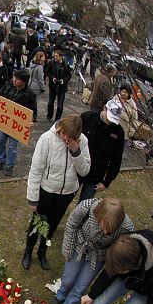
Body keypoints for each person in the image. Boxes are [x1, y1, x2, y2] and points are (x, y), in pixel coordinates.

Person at [54, 198, 133, 304]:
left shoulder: (127, 227)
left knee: (80, 288)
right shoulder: (86, 206)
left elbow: (118, 248)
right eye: (104, 226)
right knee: (68, 279)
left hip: (98, 256)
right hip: (79, 245)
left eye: (110, 230)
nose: (106, 233)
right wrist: (67, 248)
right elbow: (72, 225)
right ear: (98, 215)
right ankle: (61, 294)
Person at [24, 115, 91, 270]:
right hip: (47, 190)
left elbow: (85, 171)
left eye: (69, 137)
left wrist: (76, 151)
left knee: (52, 225)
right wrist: (33, 199)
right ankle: (28, 251)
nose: (65, 138)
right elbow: (36, 170)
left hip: (67, 193)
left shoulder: (83, 141)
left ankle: (42, 251)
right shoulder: (46, 138)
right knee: (37, 223)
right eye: (63, 134)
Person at [78, 99, 125, 201]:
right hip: (77, 168)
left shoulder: (119, 132)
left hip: (95, 175)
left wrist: (106, 181)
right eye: (109, 117)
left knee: (84, 205)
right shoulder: (87, 117)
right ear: (105, 108)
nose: (110, 121)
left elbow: (116, 160)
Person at [0, 69, 37, 177]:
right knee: (0, 141)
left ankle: (9, 165)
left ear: (23, 82)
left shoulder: (30, 95)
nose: (14, 80)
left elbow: (33, 111)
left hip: (16, 126)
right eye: (14, 77)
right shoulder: (8, 86)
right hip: (4, 122)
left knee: (12, 146)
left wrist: (32, 121)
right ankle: (0, 159)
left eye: (17, 79)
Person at [45, 50, 72, 121]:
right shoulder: (51, 63)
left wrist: (64, 80)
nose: (55, 58)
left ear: (61, 57)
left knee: (60, 105)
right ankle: (49, 116)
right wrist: (52, 78)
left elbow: (69, 75)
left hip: (62, 87)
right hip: (53, 86)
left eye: (56, 56)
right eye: (54, 56)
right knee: (50, 103)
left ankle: (57, 118)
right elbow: (47, 72)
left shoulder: (66, 65)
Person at [28, 52, 46, 121]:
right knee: (35, 104)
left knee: (29, 102)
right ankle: (33, 117)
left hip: (30, 84)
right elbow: (41, 79)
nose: (44, 59)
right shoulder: (40, 67)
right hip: (37, 87)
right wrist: (43, 88)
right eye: (43, 57)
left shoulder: (32, 63)